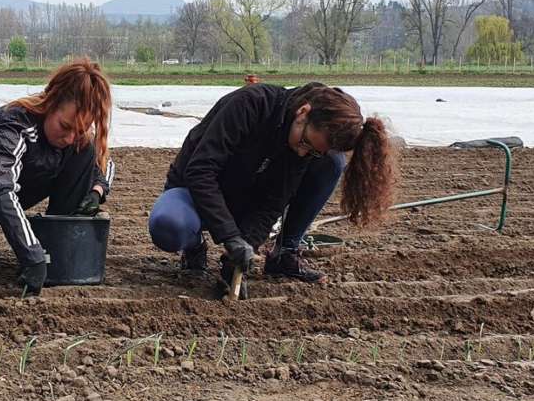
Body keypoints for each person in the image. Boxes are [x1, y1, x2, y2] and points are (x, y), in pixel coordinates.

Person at [147, 82, 397, 298]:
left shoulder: (305, 150)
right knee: (168, 225)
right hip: (195, 190)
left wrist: (244, 249)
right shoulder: (249, 104)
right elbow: (200, 172)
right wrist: (230, 237)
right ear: (303, 112)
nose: (303, 153)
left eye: (311, 152)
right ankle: (193, 246)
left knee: (331, 163)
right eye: (305, 144)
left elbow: (273, 203)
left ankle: (285, 252)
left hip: (246, 199)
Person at [0, 58, 114, 295]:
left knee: (86, 150)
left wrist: (96, 191)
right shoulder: (16, 124)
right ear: (51, 103)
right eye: (65, 126)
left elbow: (104, 163)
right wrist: (31, 254)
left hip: (18, 187)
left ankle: (54, 251)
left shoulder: (75, 137)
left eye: (78, 130)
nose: (70, 137)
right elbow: (1, 189)